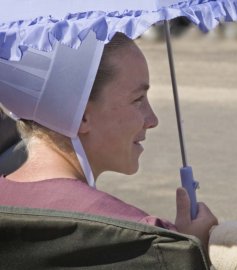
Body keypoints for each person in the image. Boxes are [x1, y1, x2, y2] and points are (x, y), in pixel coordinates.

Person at [0, 31, 217, 249]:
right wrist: (192, 251)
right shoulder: (143, 239)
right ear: (81, 115)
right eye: (138, 99)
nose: (153, 120)